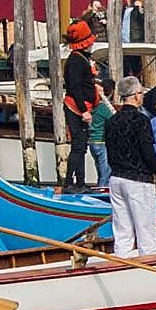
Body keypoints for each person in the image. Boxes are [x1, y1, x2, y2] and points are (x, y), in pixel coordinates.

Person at [103, 78, 156, 257]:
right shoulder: (141, 120)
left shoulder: (111, 121)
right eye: (141, 93)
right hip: (138, 181)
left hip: (116, 179)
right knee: (146, 232)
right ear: (137, 96)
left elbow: (110, 152)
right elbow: (148, 154)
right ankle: (150, 268)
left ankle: (121, 263)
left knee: (122, 232)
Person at [60, 20, 101, 192]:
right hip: (76, 108)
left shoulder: (81, 59)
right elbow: (75, 87)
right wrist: (84, 111)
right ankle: (70, 183)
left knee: (81, 146)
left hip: (82, 106)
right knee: (78, 146)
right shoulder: (76, 61)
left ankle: (80, 183)